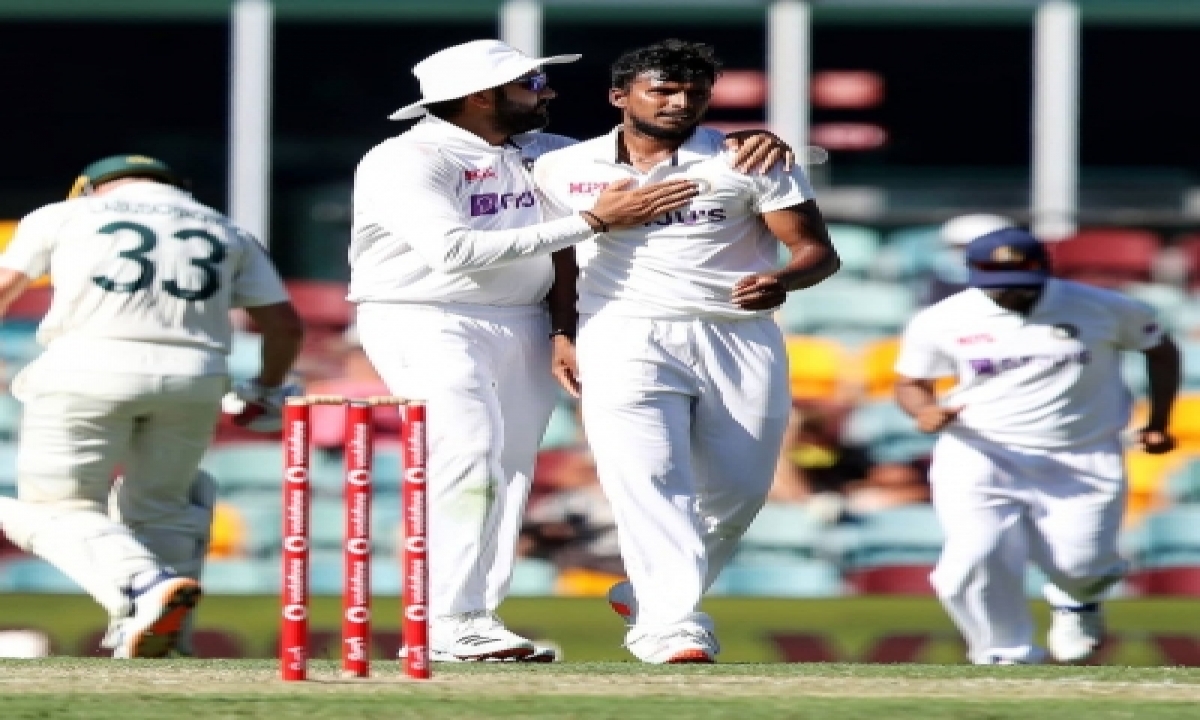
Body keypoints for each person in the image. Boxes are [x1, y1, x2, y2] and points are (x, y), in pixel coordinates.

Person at [351, 39, 793, 663]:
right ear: (481, 96)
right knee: (469, 452)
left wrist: (754, 140)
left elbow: (641, 146)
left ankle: (476, 618)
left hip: (522, 319)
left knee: (509, 469)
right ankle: (447, 619)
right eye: (531, 83)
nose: (547, 91)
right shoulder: (405, 159)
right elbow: (451, 251)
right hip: (423, 314)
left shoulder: (544, 153)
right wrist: (594, 222)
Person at [533, 39, 840, 663]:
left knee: (740, 491)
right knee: (646, 479)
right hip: (621, 329)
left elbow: (817, 252)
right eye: (663, 91)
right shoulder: (566, 167)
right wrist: (562, 333)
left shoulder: (747, 158)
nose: (680, 103)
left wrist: (781, 280)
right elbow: (557, 259)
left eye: (695, 93)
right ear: (620, 97)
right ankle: (671, 628)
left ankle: (649, 594)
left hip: (736, 332)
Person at [0, 154, 303, 658]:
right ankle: (161, 637)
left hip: (86, 367)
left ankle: (141, 586)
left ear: (89, 188)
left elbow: (5, 288)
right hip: (196, 376)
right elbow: (286, 327)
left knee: (56, 508)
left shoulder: (63, 215)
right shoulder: (226, 228)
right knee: (162, 507)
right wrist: (268, 389)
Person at [893, 227, 1180, 665]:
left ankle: (1076, 603)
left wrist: (1159, 422)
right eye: (998, 287)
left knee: (1082, 566)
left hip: (1082, 453)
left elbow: (1160, 350)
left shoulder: (1103, 307)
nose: (1010, 296)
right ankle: (1004, 654)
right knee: (969, 562)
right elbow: (912, 382)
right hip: (981, 450)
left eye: (1021, 286)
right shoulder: (942, 318)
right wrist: (924, 411)